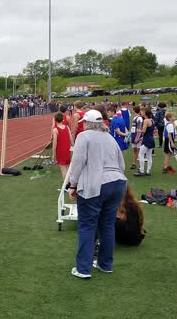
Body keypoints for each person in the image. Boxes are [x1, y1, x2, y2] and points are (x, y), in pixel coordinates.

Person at [67, 109, 127, 279]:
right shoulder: (110, 137)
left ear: (87, 123)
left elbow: (78, 162)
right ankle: (105, 264)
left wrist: (73, 185)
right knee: (107, 225)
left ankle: (83, 268)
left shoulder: (84, 137)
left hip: (95, 184)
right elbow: (121, 163)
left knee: (87, 226)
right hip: (117, 182)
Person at [51, 112, 73, 179]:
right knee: (68, 168)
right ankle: (70, 185)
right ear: (63, 119)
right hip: (67, 150)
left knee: (63, 169)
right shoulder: (67, 127)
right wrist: (73, 146)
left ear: (55, 120)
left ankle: (66, 186)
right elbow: (71, 138)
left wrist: (54, 154)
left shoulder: (55, 130)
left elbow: (55, 143)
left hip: (60, 151)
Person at [134, 108, 155, 177]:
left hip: (147, 139)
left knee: (141, 154)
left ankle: (142, 171)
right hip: (151, 139)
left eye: (142, 111)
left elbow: (144, 131)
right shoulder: (152, 120)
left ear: (145, 113)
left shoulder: (146, 120)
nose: (141, 112)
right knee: (149, 156)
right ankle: (148, 171)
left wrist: (137, 130)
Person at [130, 105, 143, 170]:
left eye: (132, 109)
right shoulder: (134, 118)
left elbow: (139, 129)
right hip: (133, 136)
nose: (131, 110)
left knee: (139, 151)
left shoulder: (139, 118)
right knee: (134, 150)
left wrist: (137, 138)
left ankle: (141, 166)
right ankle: (134, 163)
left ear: (134, 110)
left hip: (137, 137)